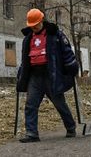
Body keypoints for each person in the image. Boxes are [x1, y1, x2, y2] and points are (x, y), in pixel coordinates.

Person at [17, 8, 79, 143]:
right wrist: (21, 73)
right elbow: (25, 59)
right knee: (30, 104)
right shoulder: (28, 38)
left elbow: (67, 52)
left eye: (35, 24)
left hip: (52, 74)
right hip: (35, 75)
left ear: (41, 20)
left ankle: (71, 127)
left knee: (59, 103)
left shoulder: (55, 34)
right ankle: (32, 133)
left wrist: (72, 68)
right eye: (31, 25)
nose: (33, 27)